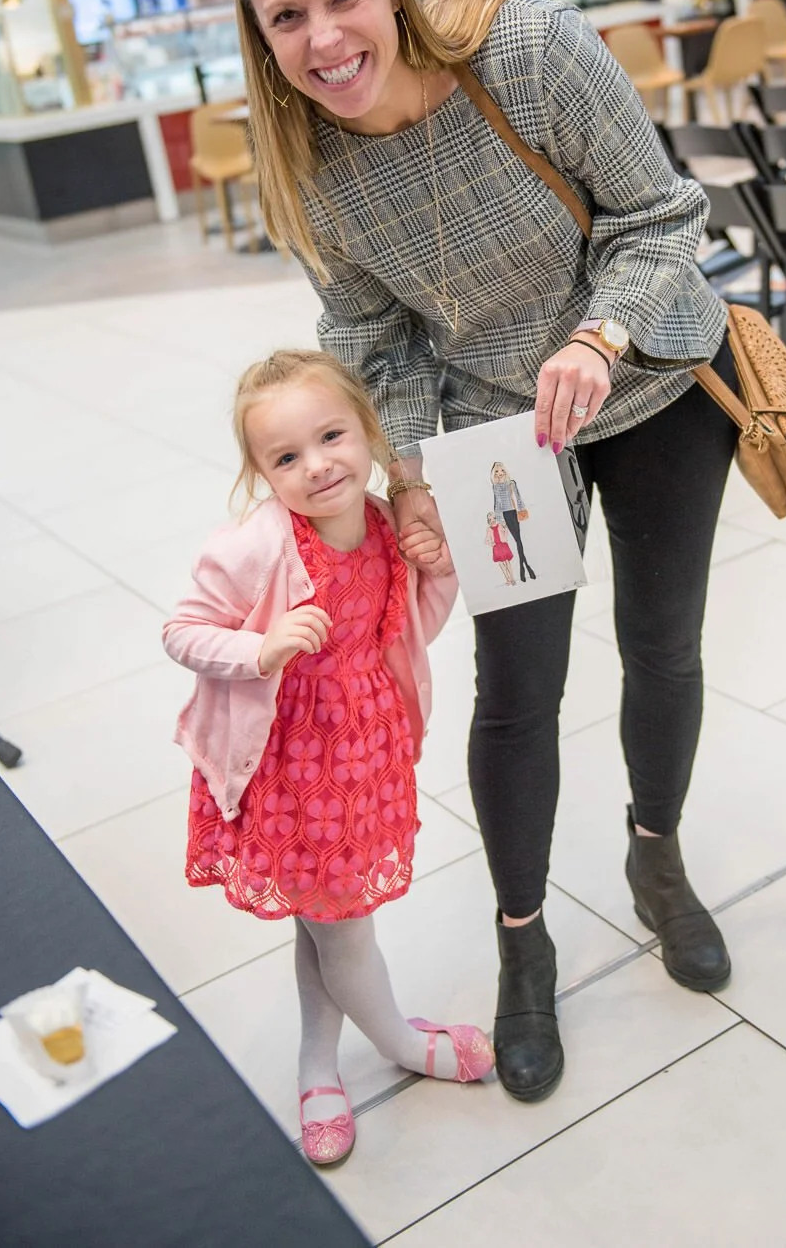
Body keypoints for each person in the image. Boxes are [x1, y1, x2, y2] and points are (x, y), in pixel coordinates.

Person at [232, 0, 739, 1106]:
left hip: (655, 380)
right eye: (286, 17)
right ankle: (524, 941)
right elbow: (371, 334)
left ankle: (656, 859)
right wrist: (406, 469)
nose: (323, 39)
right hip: (498, 436)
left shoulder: (527, 55)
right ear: (259, 36)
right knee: (515, 691)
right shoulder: (308, 164)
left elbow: (661, 214)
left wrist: (598, 337)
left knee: (660, 644)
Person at [162, 350, 493, 1166]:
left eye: (331, 437)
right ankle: (399, 1041)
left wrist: (439, 572)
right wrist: (261, 647)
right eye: (285, 457)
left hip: (363, 757)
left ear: (368, 431)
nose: (315, 465)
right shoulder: (255, 546)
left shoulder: (384, 526)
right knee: (341, 930)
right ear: (260, 473)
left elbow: (406, 627)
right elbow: (181, 631)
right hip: (289, 771)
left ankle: (316, 1066)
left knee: (326, 922)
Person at [490, 462, 535, 582]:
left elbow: (518, 497)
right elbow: (497, 504)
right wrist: (500, 520)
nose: (500, 473)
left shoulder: (511, 483)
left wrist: (521, 510)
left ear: (505, 471)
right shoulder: (495, 486)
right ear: (494, 473)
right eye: (497, 471)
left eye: (502, 470)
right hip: (505, 515)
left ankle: (523, 567)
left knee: (518, 539)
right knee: (517, 540)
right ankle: (525, 566)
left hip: (514, 512)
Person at [485, 511, 516, 587]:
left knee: (507, 562)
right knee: (501, 564)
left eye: (493, 518)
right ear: (488, 521)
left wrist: (505, 529)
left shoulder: (500, 525)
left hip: (503, 545)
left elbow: (505, 534)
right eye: (490, 519)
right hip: (496, 548)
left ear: (495, 518)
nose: (492, 521)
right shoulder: (489, 529)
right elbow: (486, 540)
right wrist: (492, 544)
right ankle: (507, 579)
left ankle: (512, 578)